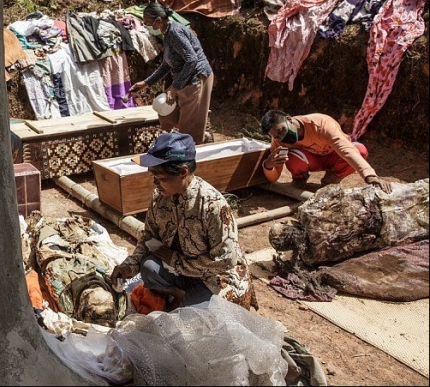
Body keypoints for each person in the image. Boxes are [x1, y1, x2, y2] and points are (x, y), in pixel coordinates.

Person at [109, 133, 254, 311]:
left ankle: (188, 299)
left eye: (160, 178)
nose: (155, 183)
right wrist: (129, 266)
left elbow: (224, 261)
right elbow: (149, 238)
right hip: (181, 271)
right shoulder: (159, 198)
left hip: (216, 277)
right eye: (152, 176)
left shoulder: (212, 206)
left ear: (183, 172)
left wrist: (177, 262)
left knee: (188, 318)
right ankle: (180, 294)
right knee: (148, 268)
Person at [130, 1, 214, 145]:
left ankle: (195, 146)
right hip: (183, 79)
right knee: (167, 115)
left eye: (148, 23)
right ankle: (201, 136)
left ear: (158, 21)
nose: (147, 27)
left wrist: (174, 87)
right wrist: (146, 83)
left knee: (188, 130)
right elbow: (166, 64)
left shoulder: (175, 32)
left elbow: (192, 60)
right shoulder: (167, 33)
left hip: (195, 78)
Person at [259, 110, 392, 193]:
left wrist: (370, 176)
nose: (281, 137)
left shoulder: (321, 124)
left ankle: (330, 182)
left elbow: (346, 150)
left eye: (281, 130)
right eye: (276, 136)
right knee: (292, 158)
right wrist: (268, 165)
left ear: (289, 119)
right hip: (313, 160)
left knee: (360, 150)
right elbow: (274, 176)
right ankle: (299, 180)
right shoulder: (278, 141)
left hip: (336, 155)